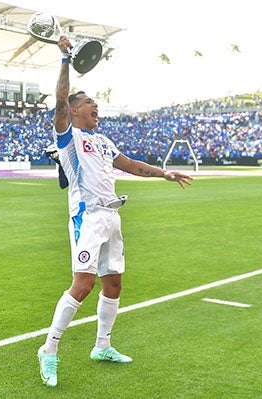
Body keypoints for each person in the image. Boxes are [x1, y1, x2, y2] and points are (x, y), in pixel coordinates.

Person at [36, 35, 193, 388]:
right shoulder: (68, 137)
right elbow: (60, 100)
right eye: (89, 102)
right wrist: (64, 58)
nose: (96, 106)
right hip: (88, 217)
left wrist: (163, 173)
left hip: (112, 216)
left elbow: (130, 165)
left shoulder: (103, 141)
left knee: (114, 283)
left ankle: (102, 346)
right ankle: (49, 349)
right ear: (73, 110)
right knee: (83, 285)